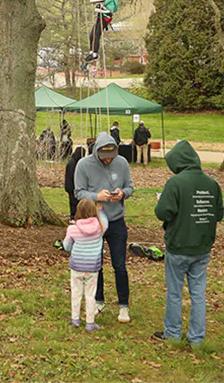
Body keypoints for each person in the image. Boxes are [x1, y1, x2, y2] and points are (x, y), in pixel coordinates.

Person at [153, 140, 224, 345]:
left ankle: (173, 334)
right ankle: (196, 338)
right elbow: (218, 214)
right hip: (202, 247)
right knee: (198, 294)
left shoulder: (175, 183)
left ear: (178, 163)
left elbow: (163, 212)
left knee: (175, 293)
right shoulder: (212, 184)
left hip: (179, 246)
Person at [74, 131, 135, 323]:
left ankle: (123, 306)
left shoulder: (122, 163)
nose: (108, 161)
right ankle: (98, 300)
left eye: (111, 158)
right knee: (95, 264)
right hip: (94, 222)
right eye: (104, 158)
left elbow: (130, 187)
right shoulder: (83, 165)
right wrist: (96, 197)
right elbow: (78, 192)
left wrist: (122, 193)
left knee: (119, 265)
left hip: (116, 220)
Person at [63, 199, 108, 331]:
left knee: (76, 292)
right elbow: (105, 221)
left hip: (76, 266)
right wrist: (100, 210)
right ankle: (90, 322)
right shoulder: (100, 227)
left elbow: (66, 246)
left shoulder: (72, 229)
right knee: (90, 294)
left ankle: (75, 319)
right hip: (92, 267)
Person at [83, 0, 123, 70]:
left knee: (96, 34)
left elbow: (102, 1)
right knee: (92, 35)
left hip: (103, 17)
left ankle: (95, 54)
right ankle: (92, 52)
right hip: (103, 17)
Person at [64, 147, 87, 221]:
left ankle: (75, 216)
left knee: (73, 202)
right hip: (72, 185)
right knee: (74, 202)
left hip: (70, 185)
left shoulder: (71, 161)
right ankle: (74, 216)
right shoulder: (73, 164)